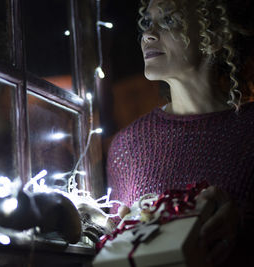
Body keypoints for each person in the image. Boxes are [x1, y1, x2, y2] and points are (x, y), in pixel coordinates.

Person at [106, 0, 254, 266]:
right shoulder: (127, 146)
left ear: (217, 35)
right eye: (146, 22)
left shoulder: (249, 132)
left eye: (169, 21)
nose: (148, 34)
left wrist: (242, 224)